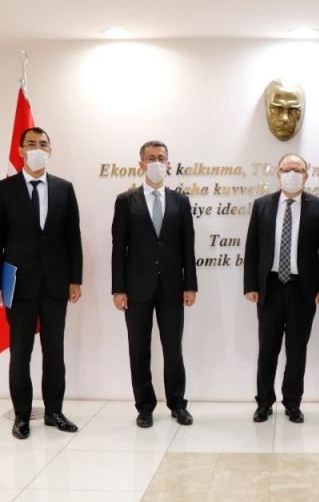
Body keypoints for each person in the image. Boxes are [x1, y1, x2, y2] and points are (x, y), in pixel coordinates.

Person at [0, 127, 82, 439]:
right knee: (21, 353)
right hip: (18, 285)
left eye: (43, 143)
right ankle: (22, 415)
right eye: (31, 144)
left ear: (50, 150)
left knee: (54, 352)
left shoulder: (64, 189)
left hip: (56, 284)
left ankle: (54, 412)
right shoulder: (3, 190)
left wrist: (75, 279)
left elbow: (73, 237)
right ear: (21, 150)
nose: (37, 148)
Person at [243, 153, 319, 423]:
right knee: (267, 350)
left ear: (306, 175)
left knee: (297, 351)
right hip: (269, 287)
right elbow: (252, 248)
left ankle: (292, 403)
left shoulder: (318, 207)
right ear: (278, 173)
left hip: (302, 290)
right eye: (287, 169)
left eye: (298, 169)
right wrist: (250, 285)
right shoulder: (262, 205)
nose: (292, 173)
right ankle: (264, 403)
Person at [111, 140, 197, 428]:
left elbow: (188, 246)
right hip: (136, 288)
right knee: (139, 349)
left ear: (169, 163)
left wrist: (190, 285)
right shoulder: (126, 201)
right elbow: (118, 248)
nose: (156, 162)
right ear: (141, 164)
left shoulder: (180, 201)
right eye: (151, 158)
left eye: (161, 157)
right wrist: (118, 289)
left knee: (173, 349)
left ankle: (177, 404)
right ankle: (145, 406)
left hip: (173, 287)